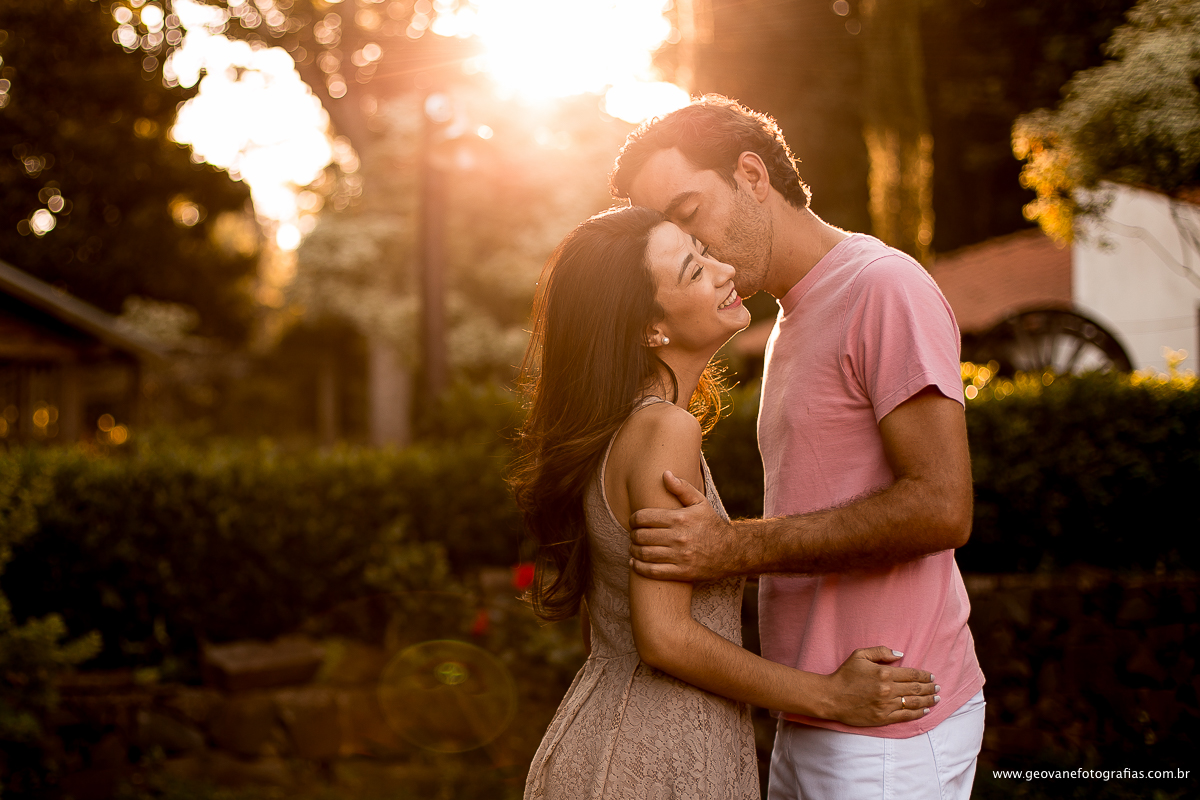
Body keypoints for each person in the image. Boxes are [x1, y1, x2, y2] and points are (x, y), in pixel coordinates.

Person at [609, 96, 985, 800]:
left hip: (886, 716)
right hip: (819, 704)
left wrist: (732, 547)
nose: (693, 249)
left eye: (689, 214)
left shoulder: (882, 286)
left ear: (752, 174)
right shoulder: (791, 314)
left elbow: (942, 505)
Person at [511, 206, 939, 800]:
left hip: (610, 739)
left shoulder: (616, 431)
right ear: (649, 329)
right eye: (694, 270)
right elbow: (664, 638)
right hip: (651, 761)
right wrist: (831, 696)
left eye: (704, 251)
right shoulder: (664, 430)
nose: (723, 269)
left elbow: (608, 625)